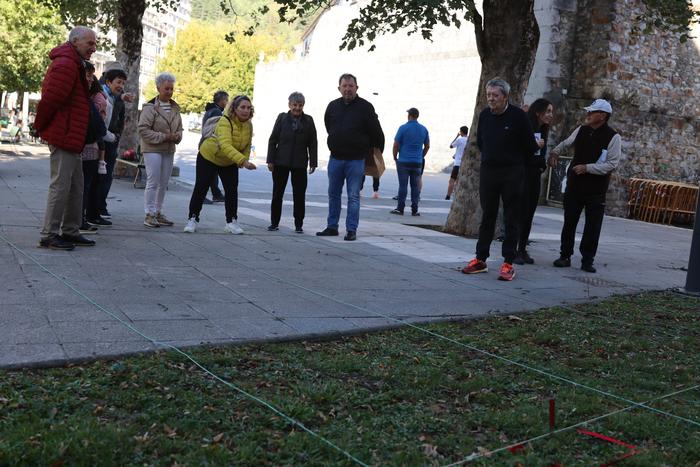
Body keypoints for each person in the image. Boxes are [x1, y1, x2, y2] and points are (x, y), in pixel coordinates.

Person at [461, 77, 539, 281]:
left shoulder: (518, 117)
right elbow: (481, 142)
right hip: (489, 171)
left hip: (512, 172)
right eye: (489, 95)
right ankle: (480, 259)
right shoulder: (485, 115)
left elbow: (530, 146)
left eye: (495, 95)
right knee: (488, 215)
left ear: (505, 97)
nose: (491, 99)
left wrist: (514, 159)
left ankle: (508, 262)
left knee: (511, 216)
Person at [34, 26, 98, 250]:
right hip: (65, 134)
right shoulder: (65, 64)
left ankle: (70, 230)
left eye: (95, 43)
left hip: (72, 135)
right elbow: (51, 100)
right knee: (61, 186)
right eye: (90, 43)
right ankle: (49, 234)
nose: (94, 47)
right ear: (75, 41)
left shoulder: (74, 63)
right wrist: (39, 126)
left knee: (75, 186)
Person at [548, 99, 621, 273]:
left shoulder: (613, 137)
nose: (587, 115)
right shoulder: (581, 129)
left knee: (593, 226)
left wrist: (588, 168)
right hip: (575, 186)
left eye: (592, 112)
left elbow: (612, 163)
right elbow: (567, 142)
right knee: (569, 222)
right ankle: (565, 255)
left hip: (596, 190)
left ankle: (587, 260)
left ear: (602, 116)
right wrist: (555, 151)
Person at [316, 73, 384, 241]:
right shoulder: (332, 106)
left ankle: (351, 230)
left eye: (351, 86)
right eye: (344, 86)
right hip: (336, 159)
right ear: (339, 88)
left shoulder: (366, 107)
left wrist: (372, 152)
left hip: (356, 160)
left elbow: (377, 133)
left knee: (353, 196)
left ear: (356, 87)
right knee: (333, 194)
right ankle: (332, 226)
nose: (347, 89)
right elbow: (328, 126)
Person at [184, 95, 257, 234]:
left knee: (231, 190)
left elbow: (247, 145)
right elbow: (225, 145)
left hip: (229, 161)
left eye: (248, 108)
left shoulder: (249, 125)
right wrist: (242, 161)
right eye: (242, 107)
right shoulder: (225, 121)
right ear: (235, 109)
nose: (246, 110)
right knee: (201, 187)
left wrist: (244, 159)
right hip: (209, 156)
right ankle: (192, 219)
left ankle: (232, 222)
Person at [266, 92, 318, 233]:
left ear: (303, 106)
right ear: (289, 105)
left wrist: (313, 162)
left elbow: (313, 143)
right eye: (294, 105)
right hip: (280, 162)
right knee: (277, 194)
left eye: (300, 105)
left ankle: (299, 224)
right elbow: (273, 140)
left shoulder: (309, 120)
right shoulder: (282, 118)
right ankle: (274, 222)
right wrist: (270, 160)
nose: (297, 108)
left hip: (299, 164)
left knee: (299, 195)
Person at [137, 72, 183, 228]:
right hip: (152, 148)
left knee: (163, 182)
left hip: (169, 149)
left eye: (171, 89)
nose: (169, 92)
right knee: (153, 181)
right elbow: (143, 129)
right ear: (158, 88)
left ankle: (158, 211)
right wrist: (164, 136)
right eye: (166, 89)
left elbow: (180, 128)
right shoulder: (150, 108)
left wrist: (177, 136)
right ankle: (149, 213)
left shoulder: (175, 108)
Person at [513, 98, 554, 265]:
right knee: (518, 213)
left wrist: (542, 165)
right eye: (548, 111)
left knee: (529, 214)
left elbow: (541, 154)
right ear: (538, 112)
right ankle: (513, 249)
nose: (551, 115)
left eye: (552, 111)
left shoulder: (543, 129)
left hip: (534, 175)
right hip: (522, 175)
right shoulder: (526, 127)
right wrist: (534, 145)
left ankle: (522, 248)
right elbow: (520, 151)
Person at [96, 66, 128, 221]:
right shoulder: (100, 95)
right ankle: (92, 210)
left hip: (111, 141)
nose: (121, 86)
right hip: (99, 141)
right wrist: (108, 136)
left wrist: (117, 136)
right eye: (118, 82)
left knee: (107, 176)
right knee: (97, 176)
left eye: (123, 83)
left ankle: (100, 207)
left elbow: (121, 118)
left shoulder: (118, 97)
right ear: (108, 81)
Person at [80, 62, 108, 234]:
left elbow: (99, 125)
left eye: (92, 76)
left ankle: (81, 218)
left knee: (85, 186)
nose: (90, 79)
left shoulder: (94, 97)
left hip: (90, 146)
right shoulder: (91, 97)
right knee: (82, 186)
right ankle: (79, 219)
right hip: (84, 145)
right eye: (87, 75)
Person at [390, 107, 430, 216]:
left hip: (403, 161)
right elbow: (427, 146)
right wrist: (421, 156)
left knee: (403, 185)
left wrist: (395, 156)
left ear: (409, 115)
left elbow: (395, 145)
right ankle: (415, 209)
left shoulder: (403, 128)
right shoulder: (424, 129)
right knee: (415, 186)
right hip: (417, 162)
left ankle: (400, 208)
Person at [201, 90, 228, 203]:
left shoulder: (211, 110)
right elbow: (216, 130)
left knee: (212, 172)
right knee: (210, 172)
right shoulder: (217, 112)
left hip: (206, 144)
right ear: (221, 100)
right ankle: (207, 195)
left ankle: (216, 193)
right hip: (212, 145)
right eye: (226, 100)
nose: (227, 102)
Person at [445, 125, 469, 200]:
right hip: (465, 164)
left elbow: (451, 146)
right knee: (461, 181)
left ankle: (448, 196)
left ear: (461, 132)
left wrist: (456, 136)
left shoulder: (460, 139)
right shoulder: (469, 139)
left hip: (457, 164)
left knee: (452, 180)